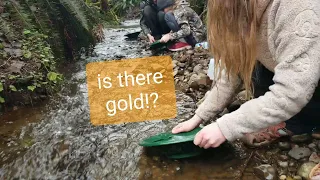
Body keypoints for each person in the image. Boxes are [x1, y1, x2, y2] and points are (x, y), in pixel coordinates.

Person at [172, 0, 320, 150]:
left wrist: (226, 127)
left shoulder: (297, 7)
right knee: (252, 68)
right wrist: (200, 116)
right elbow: (232, 72)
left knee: (304, 111)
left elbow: (292, 92)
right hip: (291, 69)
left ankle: (302, 123)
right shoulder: (237, 11)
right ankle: (286, 118)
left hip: (311, 74)